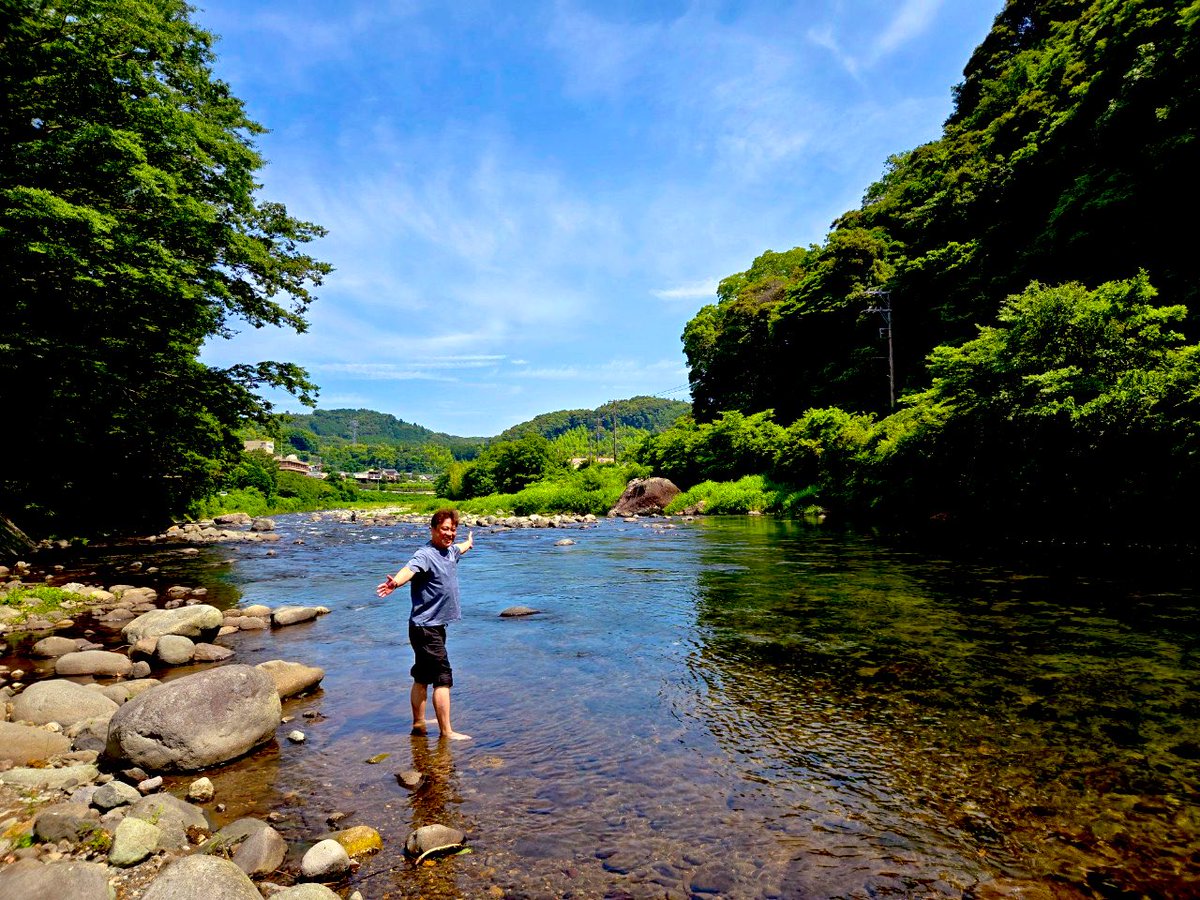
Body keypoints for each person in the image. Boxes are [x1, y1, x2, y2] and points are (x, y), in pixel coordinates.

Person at [376, 508, 474, 740]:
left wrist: (468, 542)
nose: (449, 534)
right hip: (425, 628)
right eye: (444, 529)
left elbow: (460, 547)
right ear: (432, 529)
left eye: (452, 530)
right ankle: (446, 732)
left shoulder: (450, 551)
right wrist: (395, 583)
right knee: (442, 677)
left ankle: (419, 722)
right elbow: (409, 569)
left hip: (432, 626)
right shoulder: (425, 554)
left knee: (422, 676)